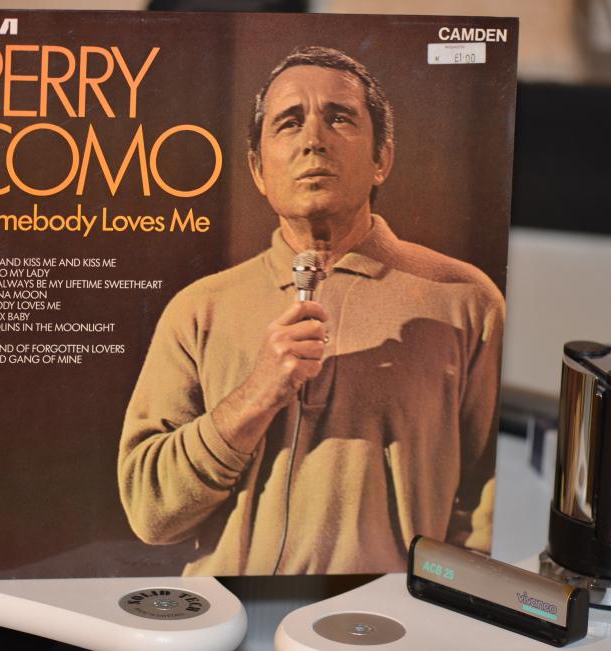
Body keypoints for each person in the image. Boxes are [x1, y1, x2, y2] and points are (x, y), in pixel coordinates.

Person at [118, 46, 504, 576]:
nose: (313, 140)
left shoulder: (465, 300)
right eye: (289, 122)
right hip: (229, 610)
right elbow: (150, 513)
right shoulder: (198, 309)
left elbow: (492, 502)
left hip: (385, 616)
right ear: (258, 170)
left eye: (339, 118)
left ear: (382, 159)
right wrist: (256, 394)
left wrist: (439, 601)